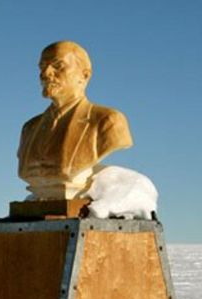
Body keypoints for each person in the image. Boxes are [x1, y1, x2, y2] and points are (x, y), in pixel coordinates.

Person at [18, 41, 133, 200]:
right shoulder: (30, 128)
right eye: (42, 66)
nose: (45, 74)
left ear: (84, 75)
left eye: (58, 66)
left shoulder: (109, 121)